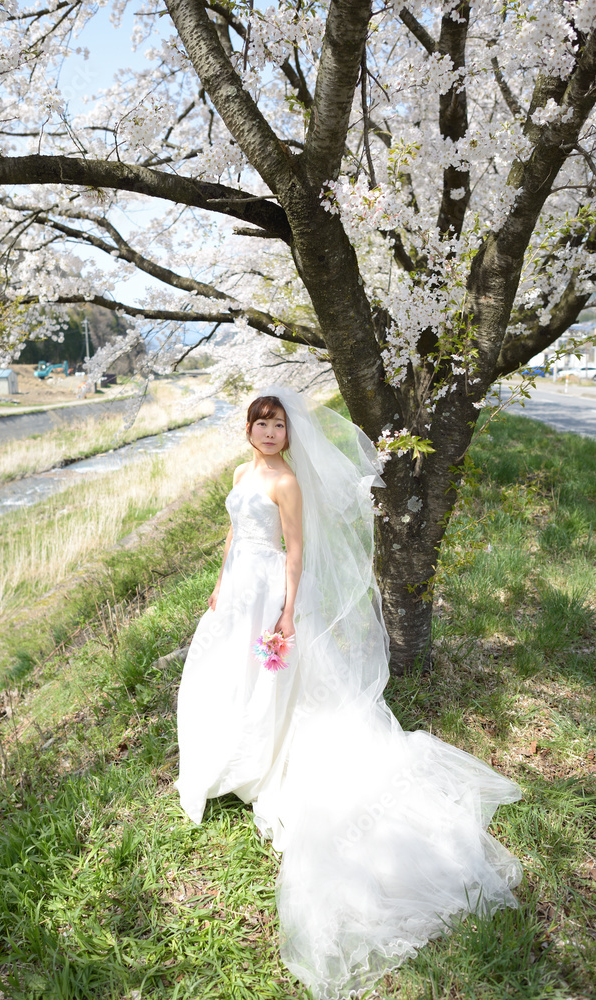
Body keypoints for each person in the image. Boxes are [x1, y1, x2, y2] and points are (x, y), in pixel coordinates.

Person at [175, 385, 522, 999]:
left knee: (271, 684)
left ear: (288, 433)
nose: (268, 432)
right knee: (220, 674)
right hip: (235, 589)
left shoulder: (286, 483)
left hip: (269, 595)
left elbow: (297, 550)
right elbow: (233, 534)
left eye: (277, 424)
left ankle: (261, 756)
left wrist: (284, 612)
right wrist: (217, 583)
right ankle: (221, 756)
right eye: (260, 423)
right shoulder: (239, 471)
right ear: (248, 430)